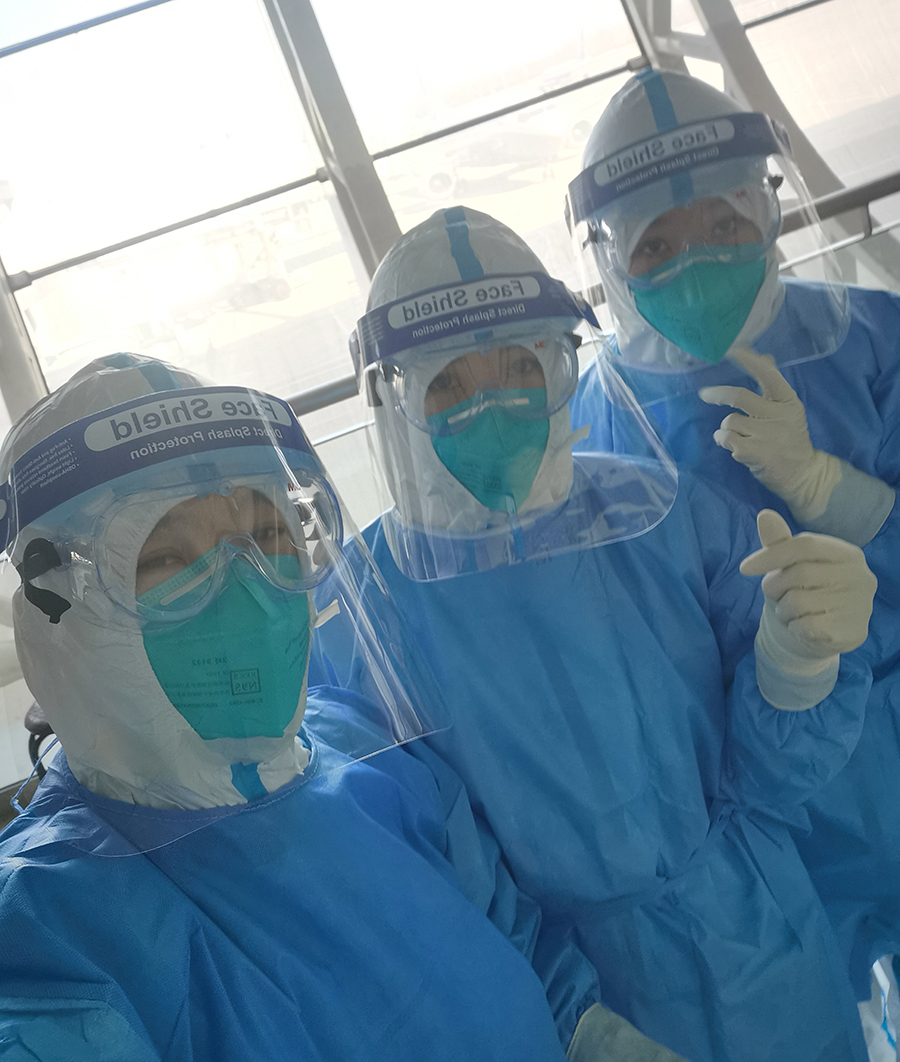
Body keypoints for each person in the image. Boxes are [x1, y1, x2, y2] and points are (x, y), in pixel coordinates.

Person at [310, 204, 880, 1062]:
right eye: (452, 382)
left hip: (763, 941)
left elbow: (769, 776)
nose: (497, 403)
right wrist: (572, 1023)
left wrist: (797, 668)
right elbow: (421, 873)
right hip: (572, 1003)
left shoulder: (661, 511)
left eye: (520, 367)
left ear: (560, 367)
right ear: (394, 401)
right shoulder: (357, 619)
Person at [0, 352, 641, 1062]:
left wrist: (594, 1038)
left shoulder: (361, 746)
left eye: (269, 537)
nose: (250, 592)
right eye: (171, 561)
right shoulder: (50, 932)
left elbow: (518, 944)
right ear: (62, 613)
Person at [567, 66, 900, 1006]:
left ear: (768, 206)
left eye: (722, 224)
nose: (697, 260)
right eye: (657, 244)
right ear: (610, 262)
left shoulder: (874, 339)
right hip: (766, 803)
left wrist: (827, 486)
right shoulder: (591, 433)